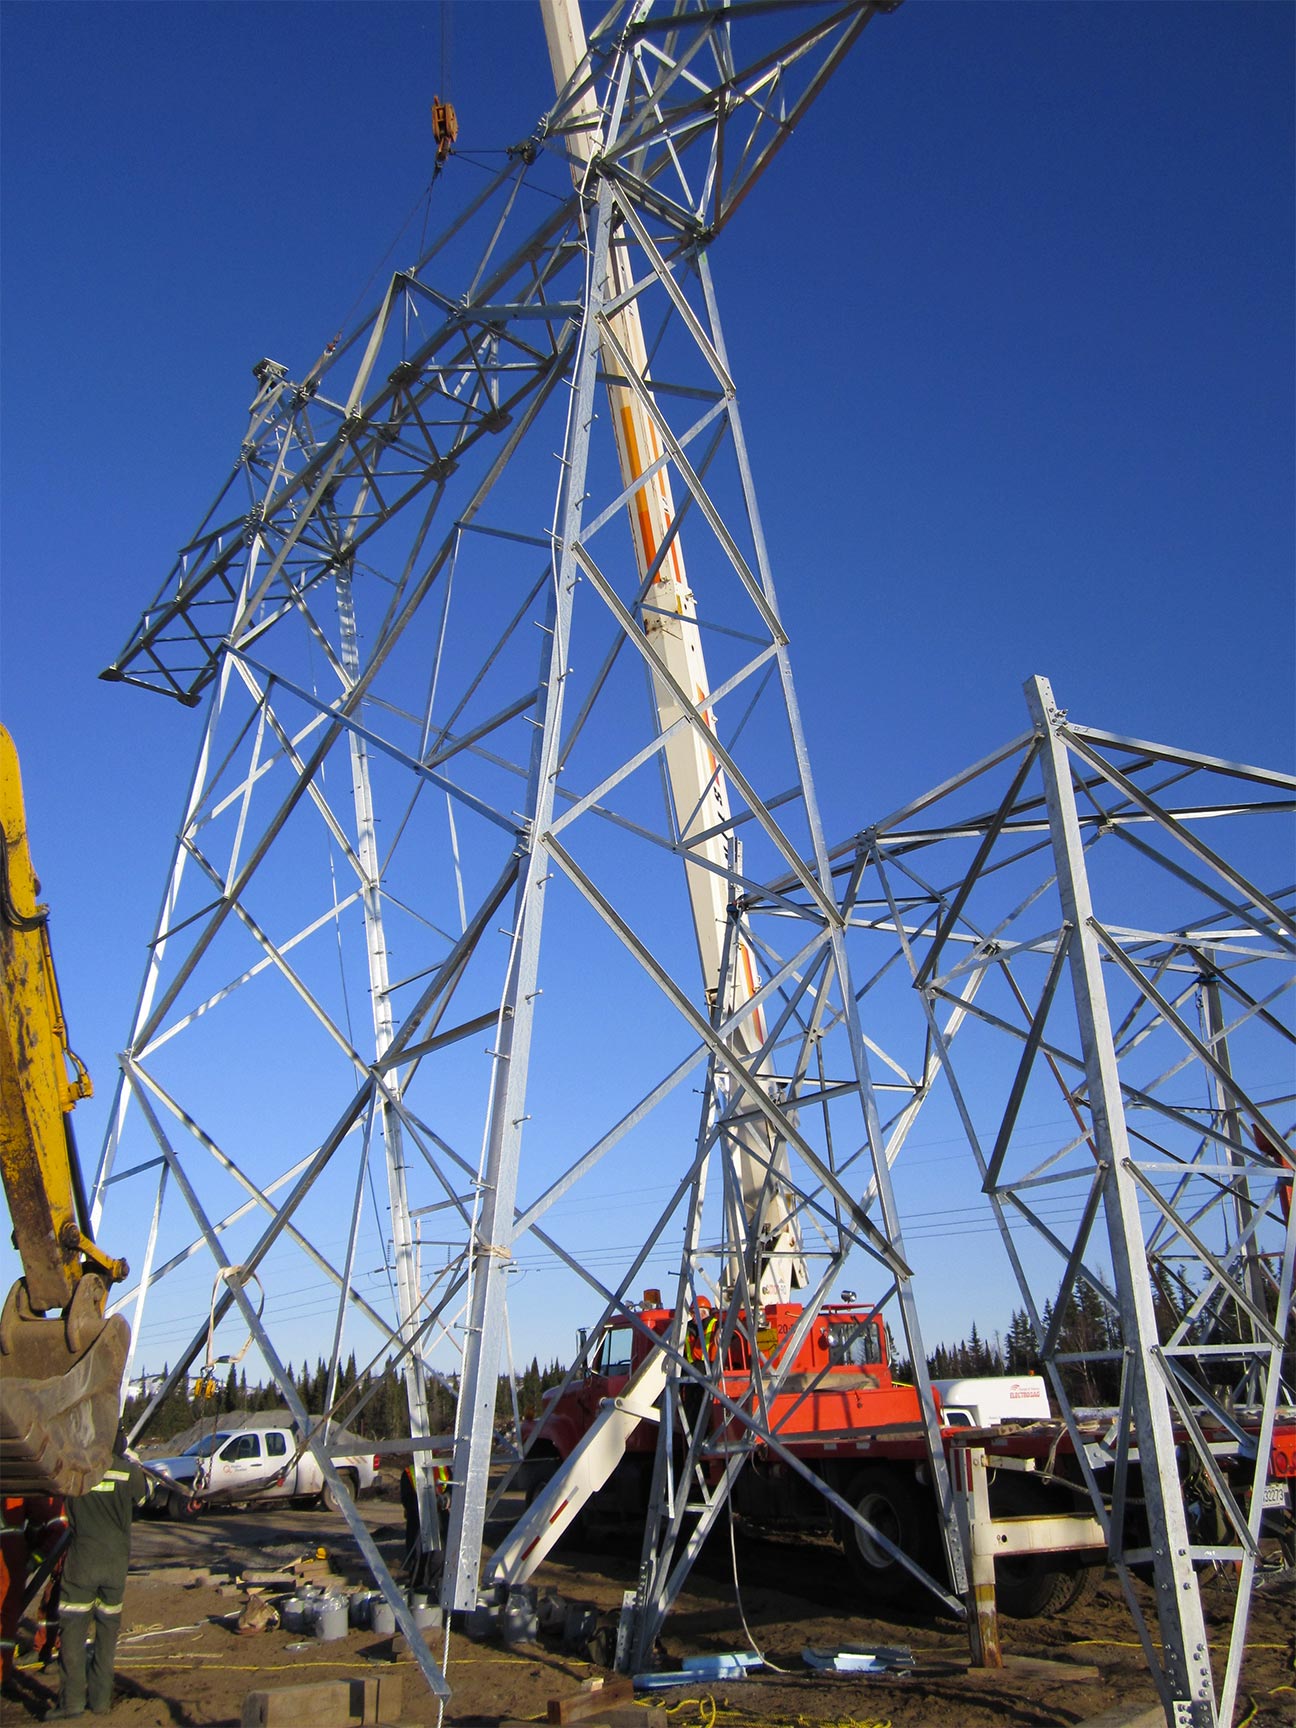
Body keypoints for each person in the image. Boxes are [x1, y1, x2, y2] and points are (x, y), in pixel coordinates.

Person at [47, 1433, 145, 1721]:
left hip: (82, 1563)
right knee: (107, 1635)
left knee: (73, 1634)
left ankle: (71, 1703)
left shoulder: (76, 1471)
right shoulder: (128, 1472)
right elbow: (143, 1497)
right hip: (115, 1565)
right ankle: (101, 1701)